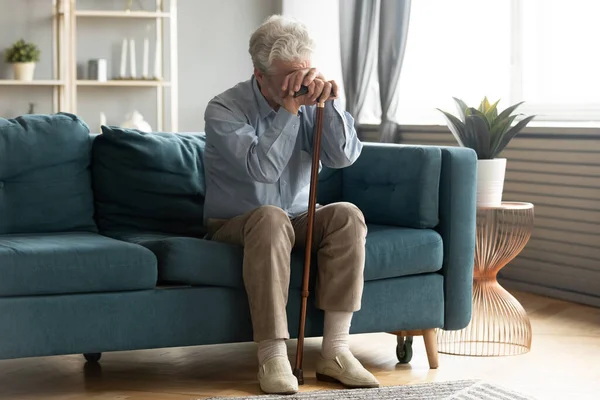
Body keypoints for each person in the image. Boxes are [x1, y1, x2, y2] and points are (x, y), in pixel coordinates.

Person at [203, 15, 379, 395]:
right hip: (237, 223)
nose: (298, 84)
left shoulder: (312, 98)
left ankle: (336, 351)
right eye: (287, 76)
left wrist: (329, 105)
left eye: (304, 73)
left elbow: (344, 156)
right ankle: (272, 356)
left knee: (347, 214)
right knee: (269, 218)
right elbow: (262, 169)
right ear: (259, 74)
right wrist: (288, 111)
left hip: (299, 218)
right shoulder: (224, 109)